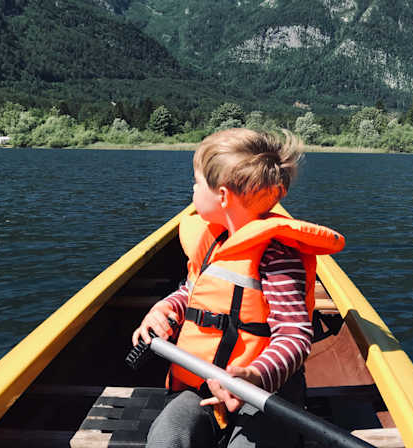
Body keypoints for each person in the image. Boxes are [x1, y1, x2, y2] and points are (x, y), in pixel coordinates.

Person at [132, 128, 345, 448]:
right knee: (168, 435)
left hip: (262, 392)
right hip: (199, 385)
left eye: (197, 181)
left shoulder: (277, 257)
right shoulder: (213, 242)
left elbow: (295, 335)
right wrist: (164, 310)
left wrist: (255, 376)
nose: (192, 187)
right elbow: (191, 292)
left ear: (222, 196)